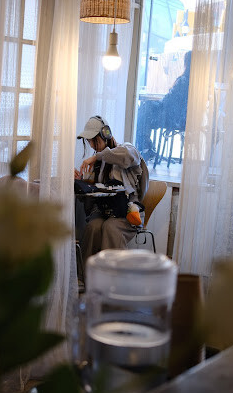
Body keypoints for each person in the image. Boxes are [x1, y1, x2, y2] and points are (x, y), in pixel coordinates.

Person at [75, 116, 148, 263]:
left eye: (94, 140)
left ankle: (114, 274)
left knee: (111, 227)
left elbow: (129, 156)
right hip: (106, 212)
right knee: (93, 227)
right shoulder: (98, 164)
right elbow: (94, 194)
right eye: (89, 141)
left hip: (129, 212)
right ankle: (86, 272)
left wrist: (97, 157)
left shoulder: (125, 150)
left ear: (106, 134)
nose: (92, 145)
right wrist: (81, 183)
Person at [135, 50, 192, 163]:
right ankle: (147, 147)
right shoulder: (194, 83)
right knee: (145, 111)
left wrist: (157, 103)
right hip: (181, 119)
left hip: (170, 118)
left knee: (144, 112)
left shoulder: (183, 81)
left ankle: (146, 147)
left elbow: (168, 102)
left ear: (186, 63)